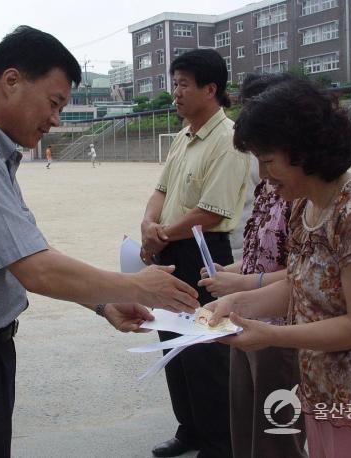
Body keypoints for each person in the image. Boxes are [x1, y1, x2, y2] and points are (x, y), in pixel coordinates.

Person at [0, 26, 200, 458]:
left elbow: (28, 250)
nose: (55, 119)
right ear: (12, 81)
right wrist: (135, 286)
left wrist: (103, 302)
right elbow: (35, 269)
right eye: (54, 103)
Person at [207, 76, 351, 458]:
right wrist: (240, 304)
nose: (263, 176)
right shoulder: (304, 205)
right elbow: (300, 285)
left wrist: (271, 335)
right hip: (323, 392)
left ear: (303, 151)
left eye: (268, 162)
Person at [140, 48, 251, 458]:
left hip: (204, 254)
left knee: (204, 351)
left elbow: (211, 210)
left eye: (184, 84)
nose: (176, 93)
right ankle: (189, 429)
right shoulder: (184, 137)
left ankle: (219, 442)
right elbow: (161, 190)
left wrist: (160, 234)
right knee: (172, 344)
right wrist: (148, 227)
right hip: (170, 249)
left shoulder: (229, 140)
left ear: (211, 89)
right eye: (174, 84)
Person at [197, 73, 306, 458]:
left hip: (283, 330)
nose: (261, 170)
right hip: (248, 325)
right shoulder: (268, 185)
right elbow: (262, 249)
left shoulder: (308, 195)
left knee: (279, 434)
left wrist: (246, 287)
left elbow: (305, 276)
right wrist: (234, 271)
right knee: (245, 427)